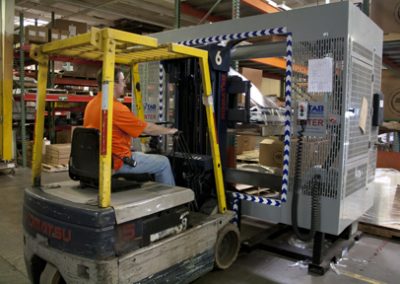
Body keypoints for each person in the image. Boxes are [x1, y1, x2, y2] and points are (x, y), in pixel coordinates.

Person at [83, 67, 177, 186]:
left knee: (138, 153)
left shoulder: (91, 104)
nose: (124, 84)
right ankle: (171, 203)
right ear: (113, 84)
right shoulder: (116, 108)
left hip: (97, 159)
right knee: (163, 162)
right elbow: (147, 129)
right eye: (122, 81)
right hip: (118, 161)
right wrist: (170, 131)